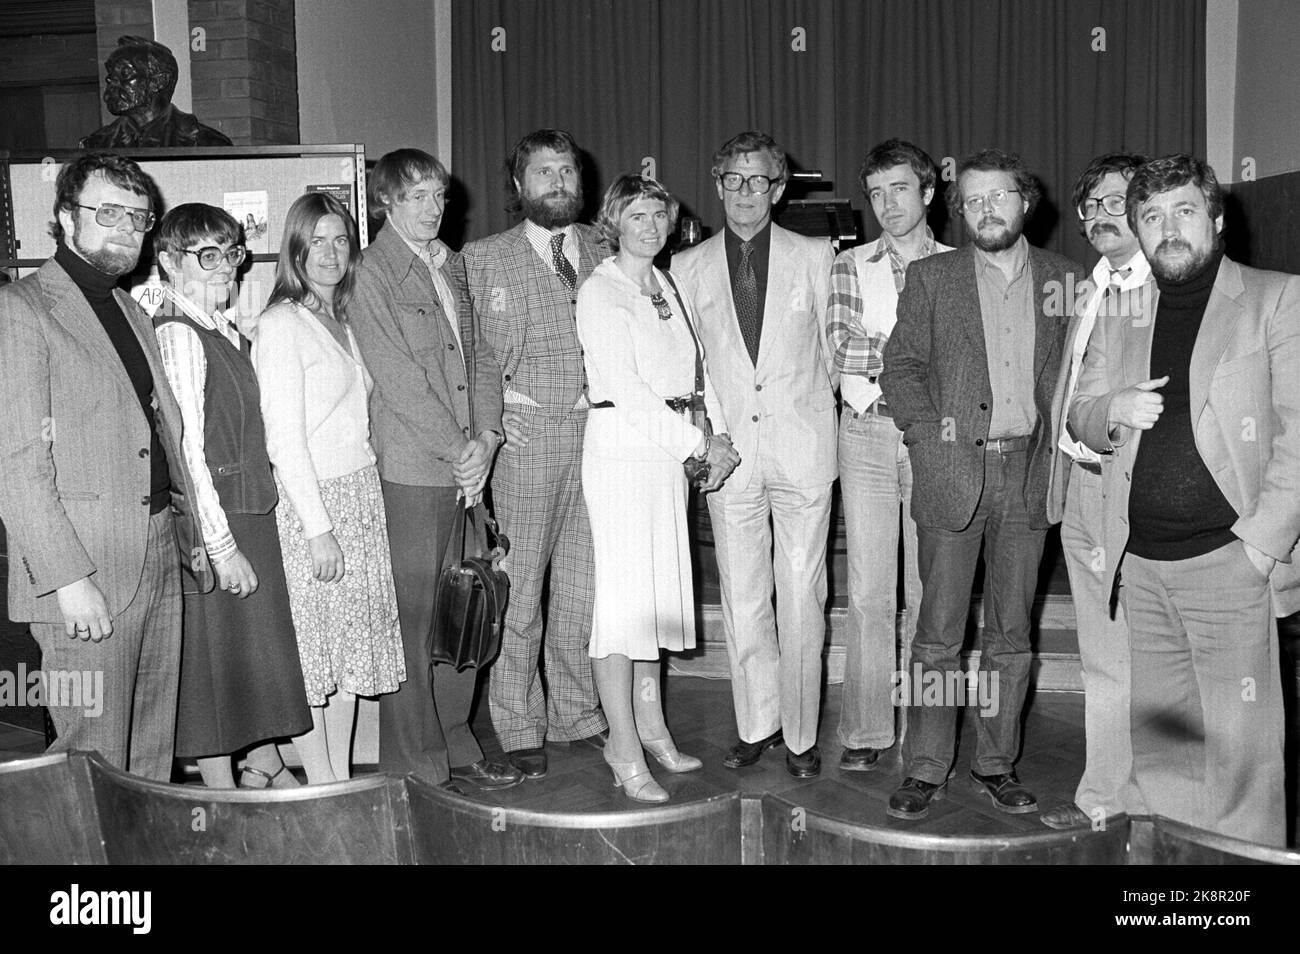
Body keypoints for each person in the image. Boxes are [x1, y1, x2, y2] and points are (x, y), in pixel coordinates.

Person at [1070, 155, 1300, 847]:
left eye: (1183, 211)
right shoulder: (1122, 311)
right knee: (1163, 744)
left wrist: (1260, 546)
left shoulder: (1276, 297)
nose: (1166, 228)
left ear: (1217, 219)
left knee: (1238, 758)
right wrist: (1114, 407)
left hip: (1228, 565)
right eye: (1151, 216)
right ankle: (1174, 899)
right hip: (1139, 567)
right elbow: (1080, 414)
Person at [880, 149, 1082, 820]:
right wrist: (926, 442)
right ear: (957, 209)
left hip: (1030, 474)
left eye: (1000, 196)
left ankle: (996, 763)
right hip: (952, 473)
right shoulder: (932, 278)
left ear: (1026, 203)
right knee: (937, 634)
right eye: (973, 200)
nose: (987, 209)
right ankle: (926, 766)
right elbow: (901, 369)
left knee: (1010, 633)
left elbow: (1082, 376)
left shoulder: (1064, 281)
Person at [0, 152, 208, 780]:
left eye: (138, 216)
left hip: (154, 548)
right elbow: (17, 464)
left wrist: (189, 531)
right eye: (108, 211)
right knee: (88, 756)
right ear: (65, 218)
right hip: (84, 569)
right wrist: (67, 579)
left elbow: (160, 436)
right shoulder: (22, 308)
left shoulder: (128, 310)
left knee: (149, 746)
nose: (126, 227)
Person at [350, 149, 522, 792]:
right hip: (415, 469)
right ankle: (416, 763)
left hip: (466, 462)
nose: (432, 208)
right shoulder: (373, 274)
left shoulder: (450, 264)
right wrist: (460, 453)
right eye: (416, 196)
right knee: (416, 620)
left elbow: (479, 358)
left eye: (439, 196)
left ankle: (457, 739)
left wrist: (486, 436)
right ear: (387, 203)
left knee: (468, 601)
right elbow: (398, 378)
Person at [672, 131, 837, 779]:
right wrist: (701, 441)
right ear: (718, 185)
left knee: (801, 593)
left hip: (802, 453)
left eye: (759, 181)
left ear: (780, 187)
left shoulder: (818, 256)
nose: (746, 193)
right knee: (743, 597)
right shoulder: (686, 268)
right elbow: (687, 370)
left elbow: (835, 354)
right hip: (728, 458)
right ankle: (757, 724)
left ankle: (800, 734)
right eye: (734, 180)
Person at [577, 174, 739, 802]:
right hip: (622, 452)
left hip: (667, 454)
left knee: (655, 598)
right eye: (636, 216)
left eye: (658, 215)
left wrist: (719, 438)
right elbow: (627, 389)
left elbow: (697, 375)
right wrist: (699, 445)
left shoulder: (665, 283)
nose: (649, 226)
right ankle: (621, 745)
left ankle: (652, 726)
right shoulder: (602, 290)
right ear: (614, 223)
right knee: (622, 608)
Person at [462, 129, 609, 779]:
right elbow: (470, 356)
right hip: (528, 443)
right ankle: (518, 723)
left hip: (602, 440)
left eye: (567, 169)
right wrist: (492, 423)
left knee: (583, 591)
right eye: (543, 171)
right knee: (520, 595)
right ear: (518, 186)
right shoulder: (482, 259)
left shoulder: (608, 247)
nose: (558, 181)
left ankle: (574, 712)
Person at [152, 203, 311, 789]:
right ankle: (223, 799)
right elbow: (188, 451)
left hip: (251, 510)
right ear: (169, 261)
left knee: (255, 659)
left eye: (232, 253)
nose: (225, 268)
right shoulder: (179, 334)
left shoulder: (221, 329)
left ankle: (263, 765)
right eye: (207, 255)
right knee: (215, 666)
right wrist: (221, 548)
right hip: (218, 519)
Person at [252, 192, 405, 784]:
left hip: (359, 495)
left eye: (341, 239)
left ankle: (335, 779)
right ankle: (324, 785)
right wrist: (319, 529)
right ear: (294, 248)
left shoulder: (343, 320)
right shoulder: (280, 324)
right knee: (318, 658)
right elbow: (283, 441)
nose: (330, 252)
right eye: (316, 240)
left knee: (349, 658)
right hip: (314, 505)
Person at [826, 139, 952, 772]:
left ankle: (925, 738)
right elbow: (839, 349)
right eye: (876, 193)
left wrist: (886, 348)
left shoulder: (962, 263)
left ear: (928, 192)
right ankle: (868, 730)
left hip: (936, 437)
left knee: (932, 590)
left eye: (899, 189)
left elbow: (968, 362)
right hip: (870, 433)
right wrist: (917, 354)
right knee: (871, 591)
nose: (887, 204)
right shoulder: (851, 264)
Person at [1040, 153, 1149, 828]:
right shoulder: (1091, 286)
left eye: (1117, 203)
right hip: (1079, 490)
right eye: (1093, 208)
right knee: (1103, 656)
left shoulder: (1166, 288)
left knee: (1145, 655)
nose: (1102, 217)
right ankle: (1105, 799)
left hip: (1131, 496)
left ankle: (1148, 803)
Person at [80, 35, 232, 148]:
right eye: (111, 75)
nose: (110, 81)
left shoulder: (207, 143)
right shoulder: (95, 144)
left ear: (158, 82)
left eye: (125, 73)